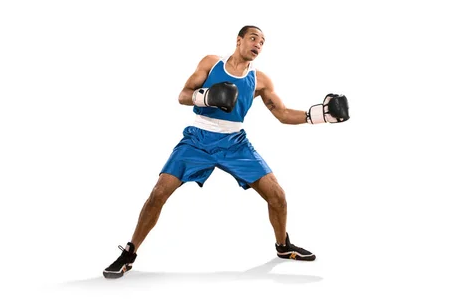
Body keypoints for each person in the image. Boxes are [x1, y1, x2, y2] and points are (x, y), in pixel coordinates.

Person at [103, 25, 350, 279]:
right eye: (253, 38)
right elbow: (182, 95)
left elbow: (283, 114)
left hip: (235, 143)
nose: (258, 44)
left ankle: (283, 247)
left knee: (277, 196)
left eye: (262, 42)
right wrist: (207, 96)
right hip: (197, 139)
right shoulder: (211, 63)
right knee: (158, 193)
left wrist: (322, 115)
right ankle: (129, 253)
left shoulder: (260, 80)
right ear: (239, 40)